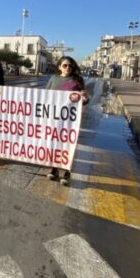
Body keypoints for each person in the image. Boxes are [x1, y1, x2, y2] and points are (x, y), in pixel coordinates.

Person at [45, 56, 89, 185]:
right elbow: (45, 96)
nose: (68, 68)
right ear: (59, 67)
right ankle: (54, 169)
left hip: (70, 119)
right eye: (65, 65)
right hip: (54, 117)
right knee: (54, 144)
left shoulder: (77, 80)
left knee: (68, 145)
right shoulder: (54, 79)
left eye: (70, 65)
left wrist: (85, 97)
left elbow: (83, 101)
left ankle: (66, 172)